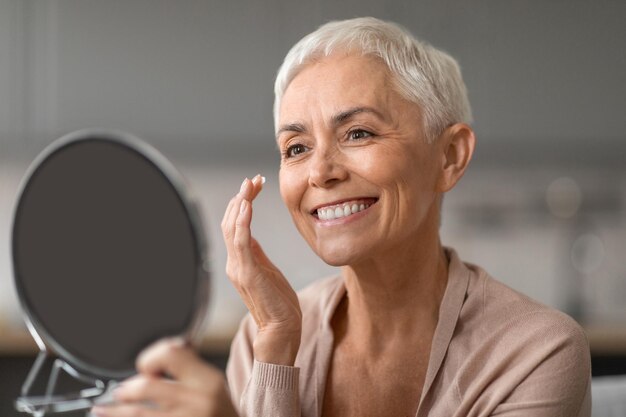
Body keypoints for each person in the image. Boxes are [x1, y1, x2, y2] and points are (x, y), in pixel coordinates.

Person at [92, 17, 591, 417]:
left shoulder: (537, 353)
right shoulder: (266, 335)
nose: (321, 172)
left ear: (449, 157)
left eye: (358, 134)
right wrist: (276, 350)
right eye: (296, 147)